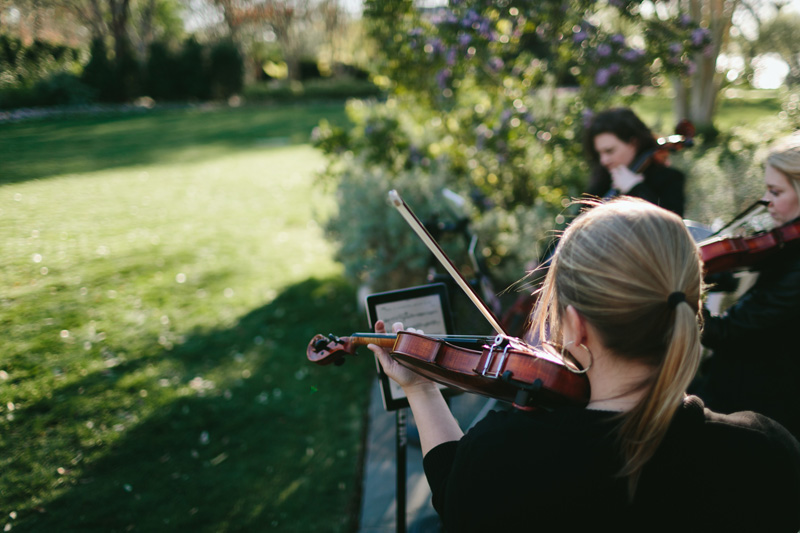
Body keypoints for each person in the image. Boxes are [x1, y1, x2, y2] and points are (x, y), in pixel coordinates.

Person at [368, 198, 800, 532]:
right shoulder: (765, 451)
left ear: (575, 325)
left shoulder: (502, 460)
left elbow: (454, 491)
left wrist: (420, 389)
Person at [693, 133, 800, 440]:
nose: (765, 201)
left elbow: (727, 332)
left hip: (762, 410)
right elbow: (739, 276)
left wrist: (678, 300)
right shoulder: (785, 247)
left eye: (775, 191)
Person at [584, 108, 685, 216]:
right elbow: (577, 222)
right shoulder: (605, 178)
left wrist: (635, 189)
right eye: (599, 153)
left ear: (633, 144)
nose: (603, 160)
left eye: (610, 151)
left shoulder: (669, 179)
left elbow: (670, 226)